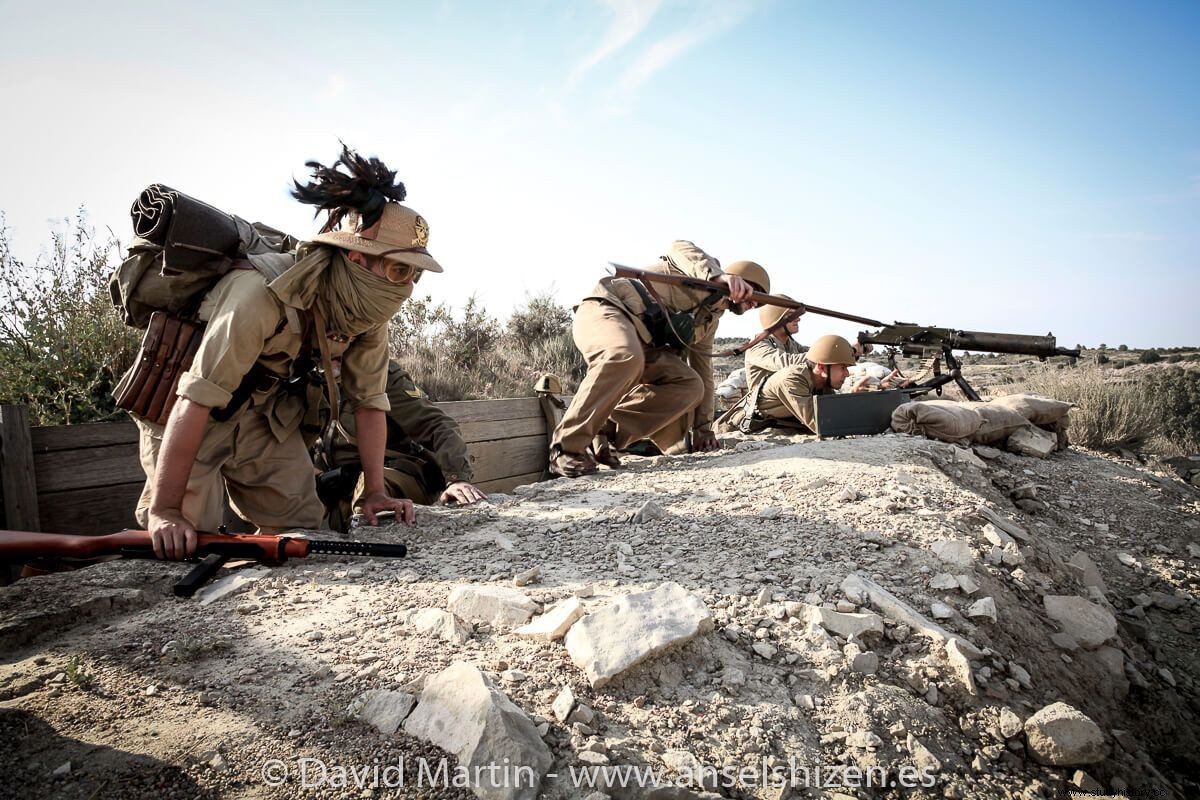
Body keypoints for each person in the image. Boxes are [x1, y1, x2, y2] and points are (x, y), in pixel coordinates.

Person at [125, 146, 442, 559]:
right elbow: (197, 395)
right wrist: (165, 511)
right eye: (399, 270)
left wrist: (375, 494)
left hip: (260, 416)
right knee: (183, 542)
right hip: (185, 414)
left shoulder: (366, 316)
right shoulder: (262, 293)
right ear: (357, 257)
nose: (407, 288)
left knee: (302, 528)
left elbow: (369, 403)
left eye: (414, 274)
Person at [548, 241, 768, 477]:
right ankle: (565, 449)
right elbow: (680, 247)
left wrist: (704, 431)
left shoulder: (710, 320)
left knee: (691, 385)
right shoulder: (698, 269)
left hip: (645, 343)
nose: (756, 303)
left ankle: (605, 435)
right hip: (608, 309)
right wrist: (717, 276)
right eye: (756, 293)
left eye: (762, 302)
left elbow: (704, 369)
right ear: (739, 280)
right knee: (624, 356)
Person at [312, 358, 487, 530]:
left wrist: (456, 478)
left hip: (395, 474)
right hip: (340, 480)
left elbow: (438, 425)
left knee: (368, 492)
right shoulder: (310, 382)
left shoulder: (380, 375)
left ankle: (371, 546)